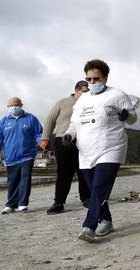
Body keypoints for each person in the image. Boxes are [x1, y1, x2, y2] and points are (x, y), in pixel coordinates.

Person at [64, 59, 139, 242]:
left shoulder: (117, 95)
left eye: (96, 79)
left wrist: (126, 115)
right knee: (95, 190)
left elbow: (133, 118)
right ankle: (106, 220)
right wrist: (69, 135)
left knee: (99, 187)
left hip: (110, 147)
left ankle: (89, 226)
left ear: (105, 77)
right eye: (88, 79)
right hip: (86, 150)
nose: (92, 83)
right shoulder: (83, 99)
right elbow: (75, 123)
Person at [41, 81, 92, 215]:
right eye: (84, 91)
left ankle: (87, 198)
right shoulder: (63, 102)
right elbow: (50, 120)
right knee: (64, 173)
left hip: (84, 140)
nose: (87, 94)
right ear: (76, 90)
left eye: (88, 91)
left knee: (84, 170)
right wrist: (45, 138)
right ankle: (59, 202)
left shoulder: (91, 103)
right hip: (63, 139)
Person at [0, 97, 43, 214]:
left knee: (25, 179)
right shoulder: (3, 121)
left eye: (16, 105)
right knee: (12, 181)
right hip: (11, 157)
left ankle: (22, 203)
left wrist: (43, 143)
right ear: (8, 107)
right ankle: (11, 205)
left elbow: (39, 133)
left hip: (27, 155)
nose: (14, 107)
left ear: (21, 105)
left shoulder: (31, 118)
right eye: (11, 106)